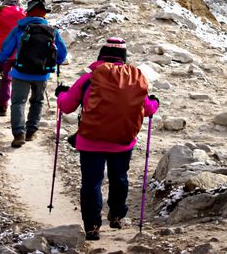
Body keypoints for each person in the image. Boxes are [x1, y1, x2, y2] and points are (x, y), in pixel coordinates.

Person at [56, 37, 159, 241]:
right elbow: (147, 109)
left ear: (101, 55)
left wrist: (60, 94)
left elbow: (67, 106)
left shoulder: (89, 78)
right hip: (123, 140)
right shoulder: (135, 79)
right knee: (119, 178)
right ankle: (117, 215)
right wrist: (155, 102)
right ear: (123, 58)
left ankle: (92, 226)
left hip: (91, 140)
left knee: (91, 182)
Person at [0, 0, 68, 147]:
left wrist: (3, 61)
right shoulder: (52, 31)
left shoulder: (19, 29)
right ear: (44, 15)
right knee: (37, 101)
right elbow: (62, 54)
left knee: (18, 102)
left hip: (20, 72)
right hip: (42, 73)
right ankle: (31, 131)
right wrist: (53, 62)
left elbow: (6, 49)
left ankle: (19, 134)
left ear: (28, 14)